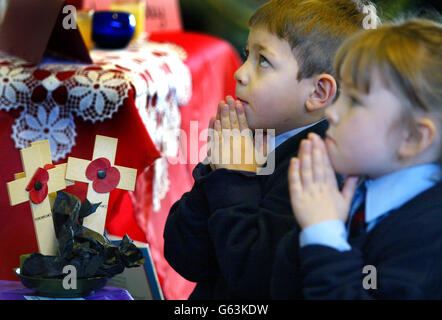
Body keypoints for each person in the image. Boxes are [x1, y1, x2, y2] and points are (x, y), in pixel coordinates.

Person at [164, 0, 372, 299]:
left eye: (263, 61)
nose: (240, 73)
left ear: (318, 92)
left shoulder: (317, 171)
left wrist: (234, 177)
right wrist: (215, 169)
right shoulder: (251, 137)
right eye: (248, 55)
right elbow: (185, 256)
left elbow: (253, 279)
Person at [277, 18, 442, 299]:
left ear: (413, 138)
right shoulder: (350, 183)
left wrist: (324, 234)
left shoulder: (429, 240)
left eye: (354, 101)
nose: (332, 112)